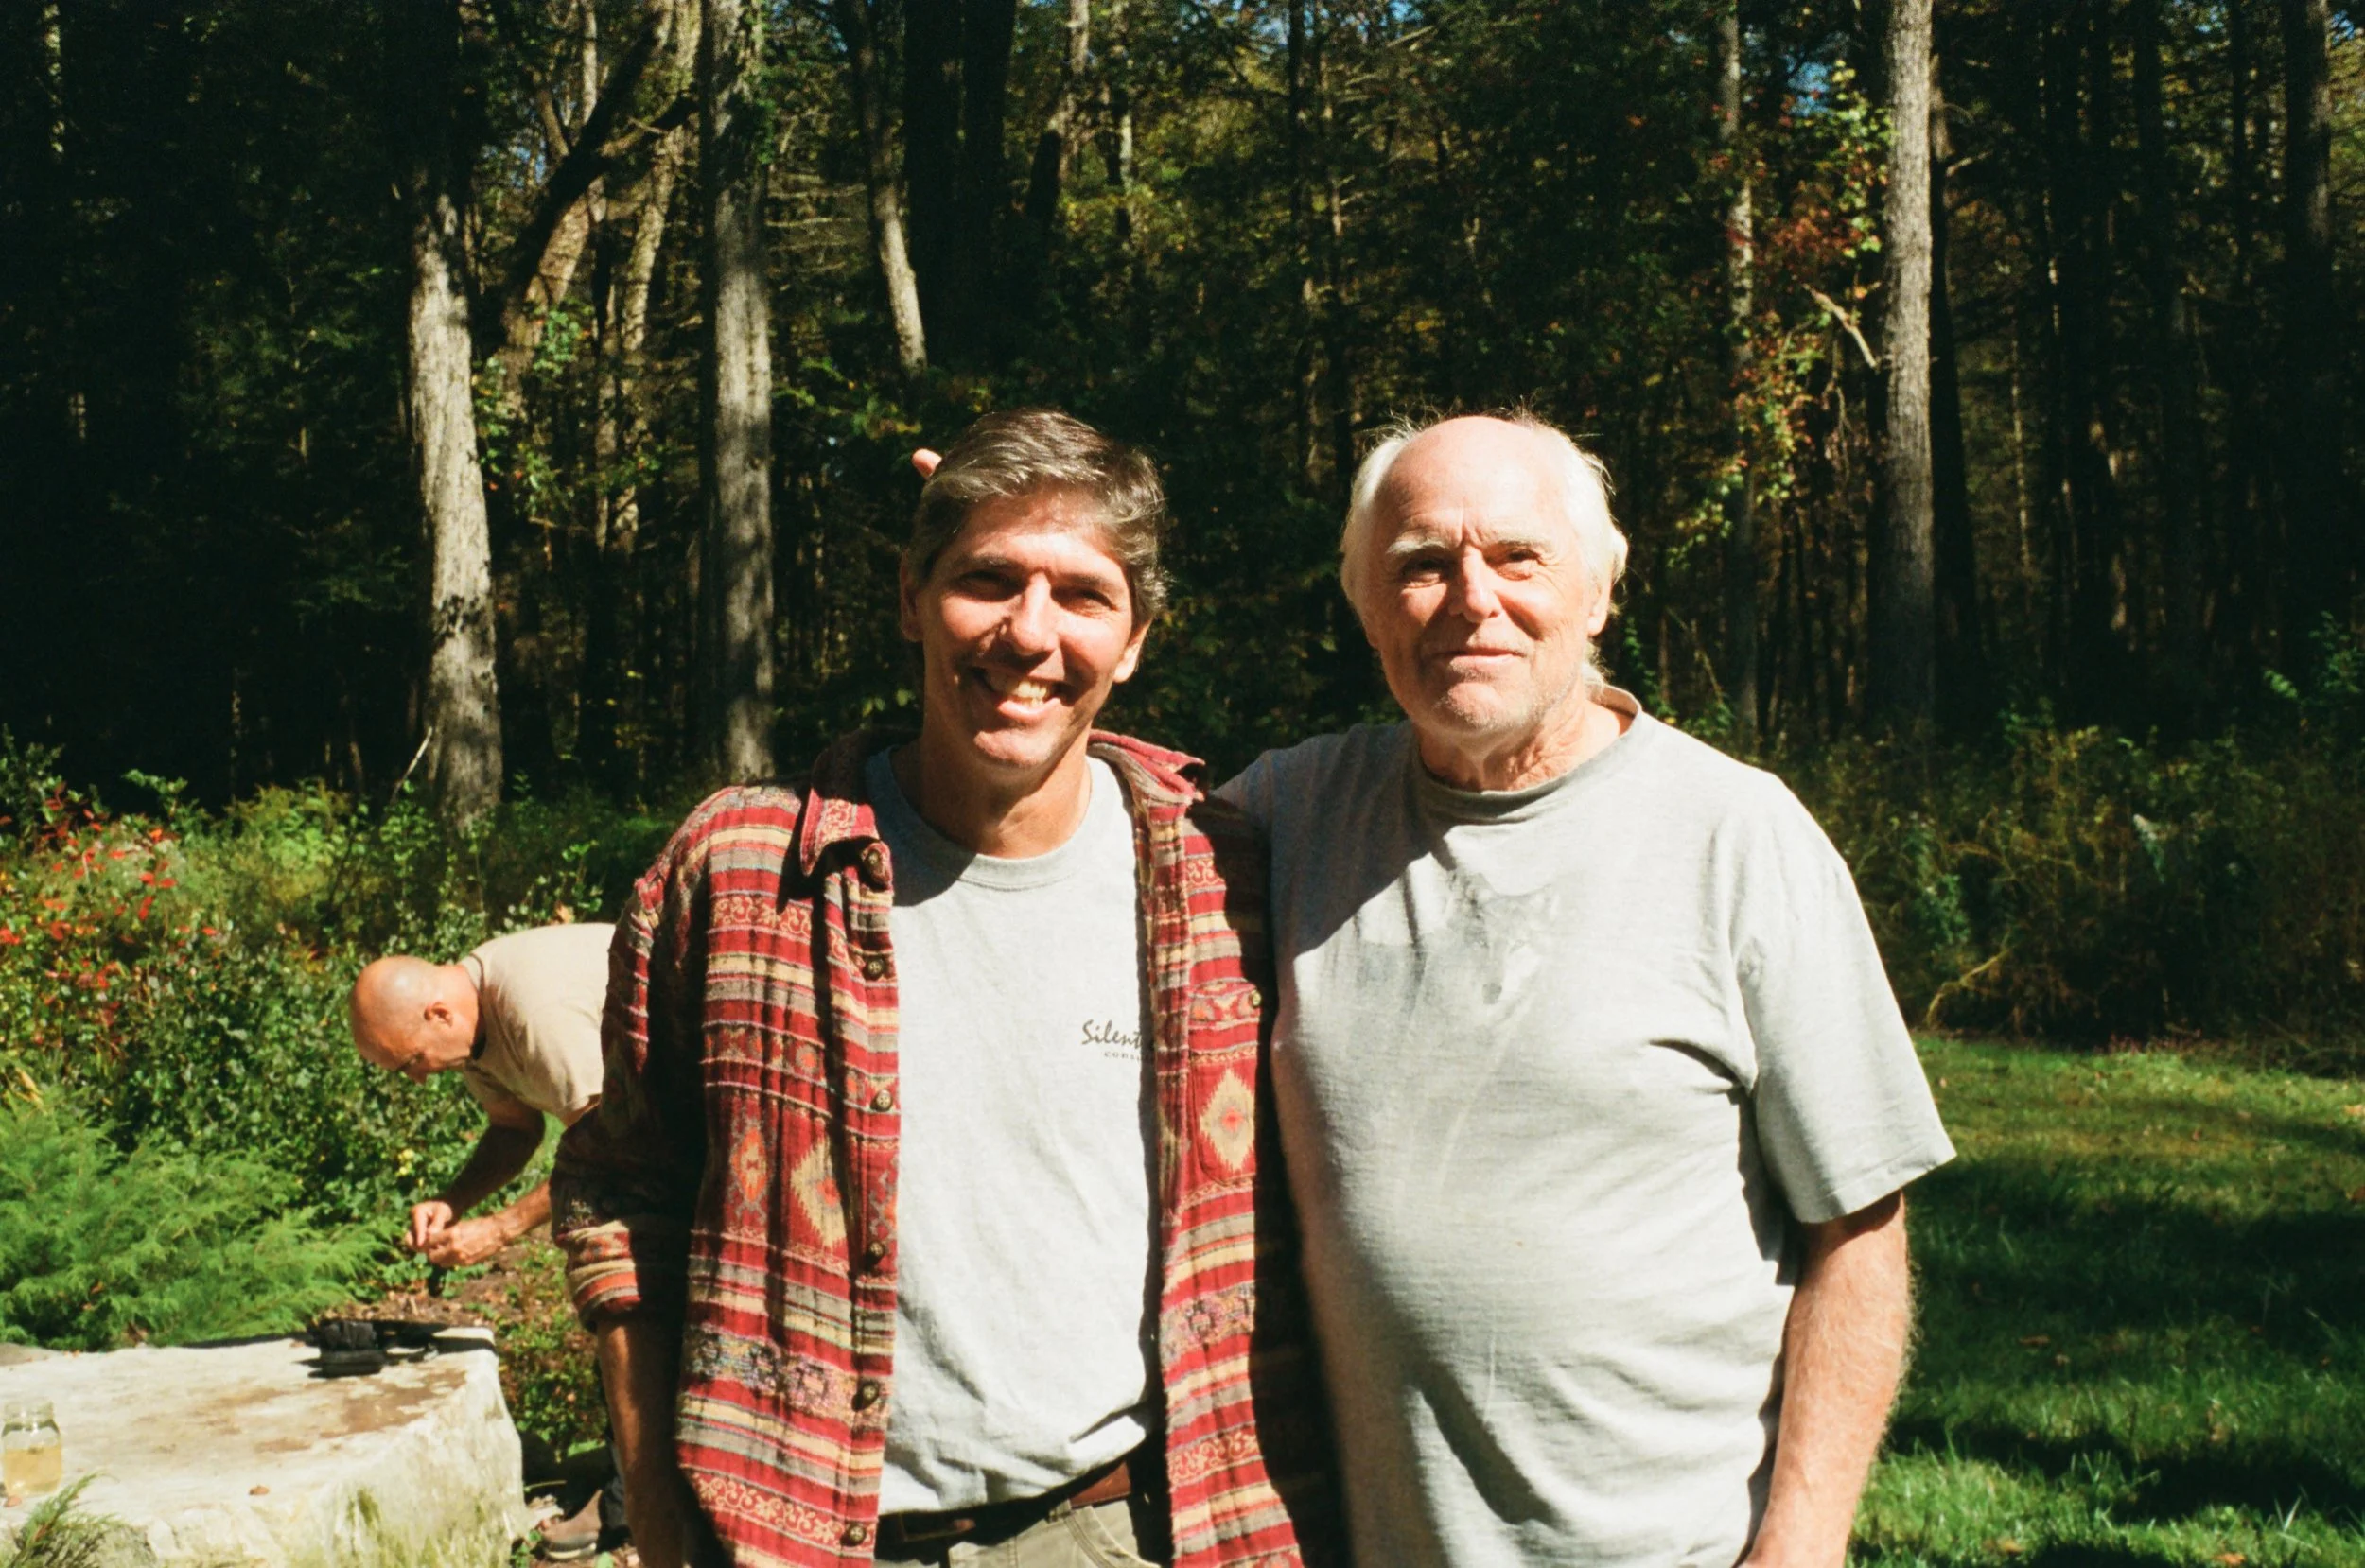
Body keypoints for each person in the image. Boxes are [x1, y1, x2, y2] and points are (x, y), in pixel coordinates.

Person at [552, 409, 1339, 1568]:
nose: (1030, 632)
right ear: (911, 597)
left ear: (1134, 640)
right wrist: (660, 1522)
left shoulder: (1231, 881)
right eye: (988, 579)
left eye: (1082, 594)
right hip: (794, 1537)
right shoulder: (742, 875)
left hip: (1130, 1529)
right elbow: (625, 1195)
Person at [1216, 412, 1956, 1568]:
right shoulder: (1285, 814)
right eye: (1421, 563)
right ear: (1365, 607)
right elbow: (1063, 831)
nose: (1472, 598)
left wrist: (1803, 1541)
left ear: (1600, 590)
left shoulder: (1736, 835)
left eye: (1518, 556)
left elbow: (1857, 1226)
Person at [349, 921, 613, 1268]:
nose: (419, 1079)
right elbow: (515, 1129)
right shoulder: (469, 1026)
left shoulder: (534, 1012)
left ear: (439, 1015)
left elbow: (609, 1147)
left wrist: (502, 1228)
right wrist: (453, 1202)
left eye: (413, 1061)